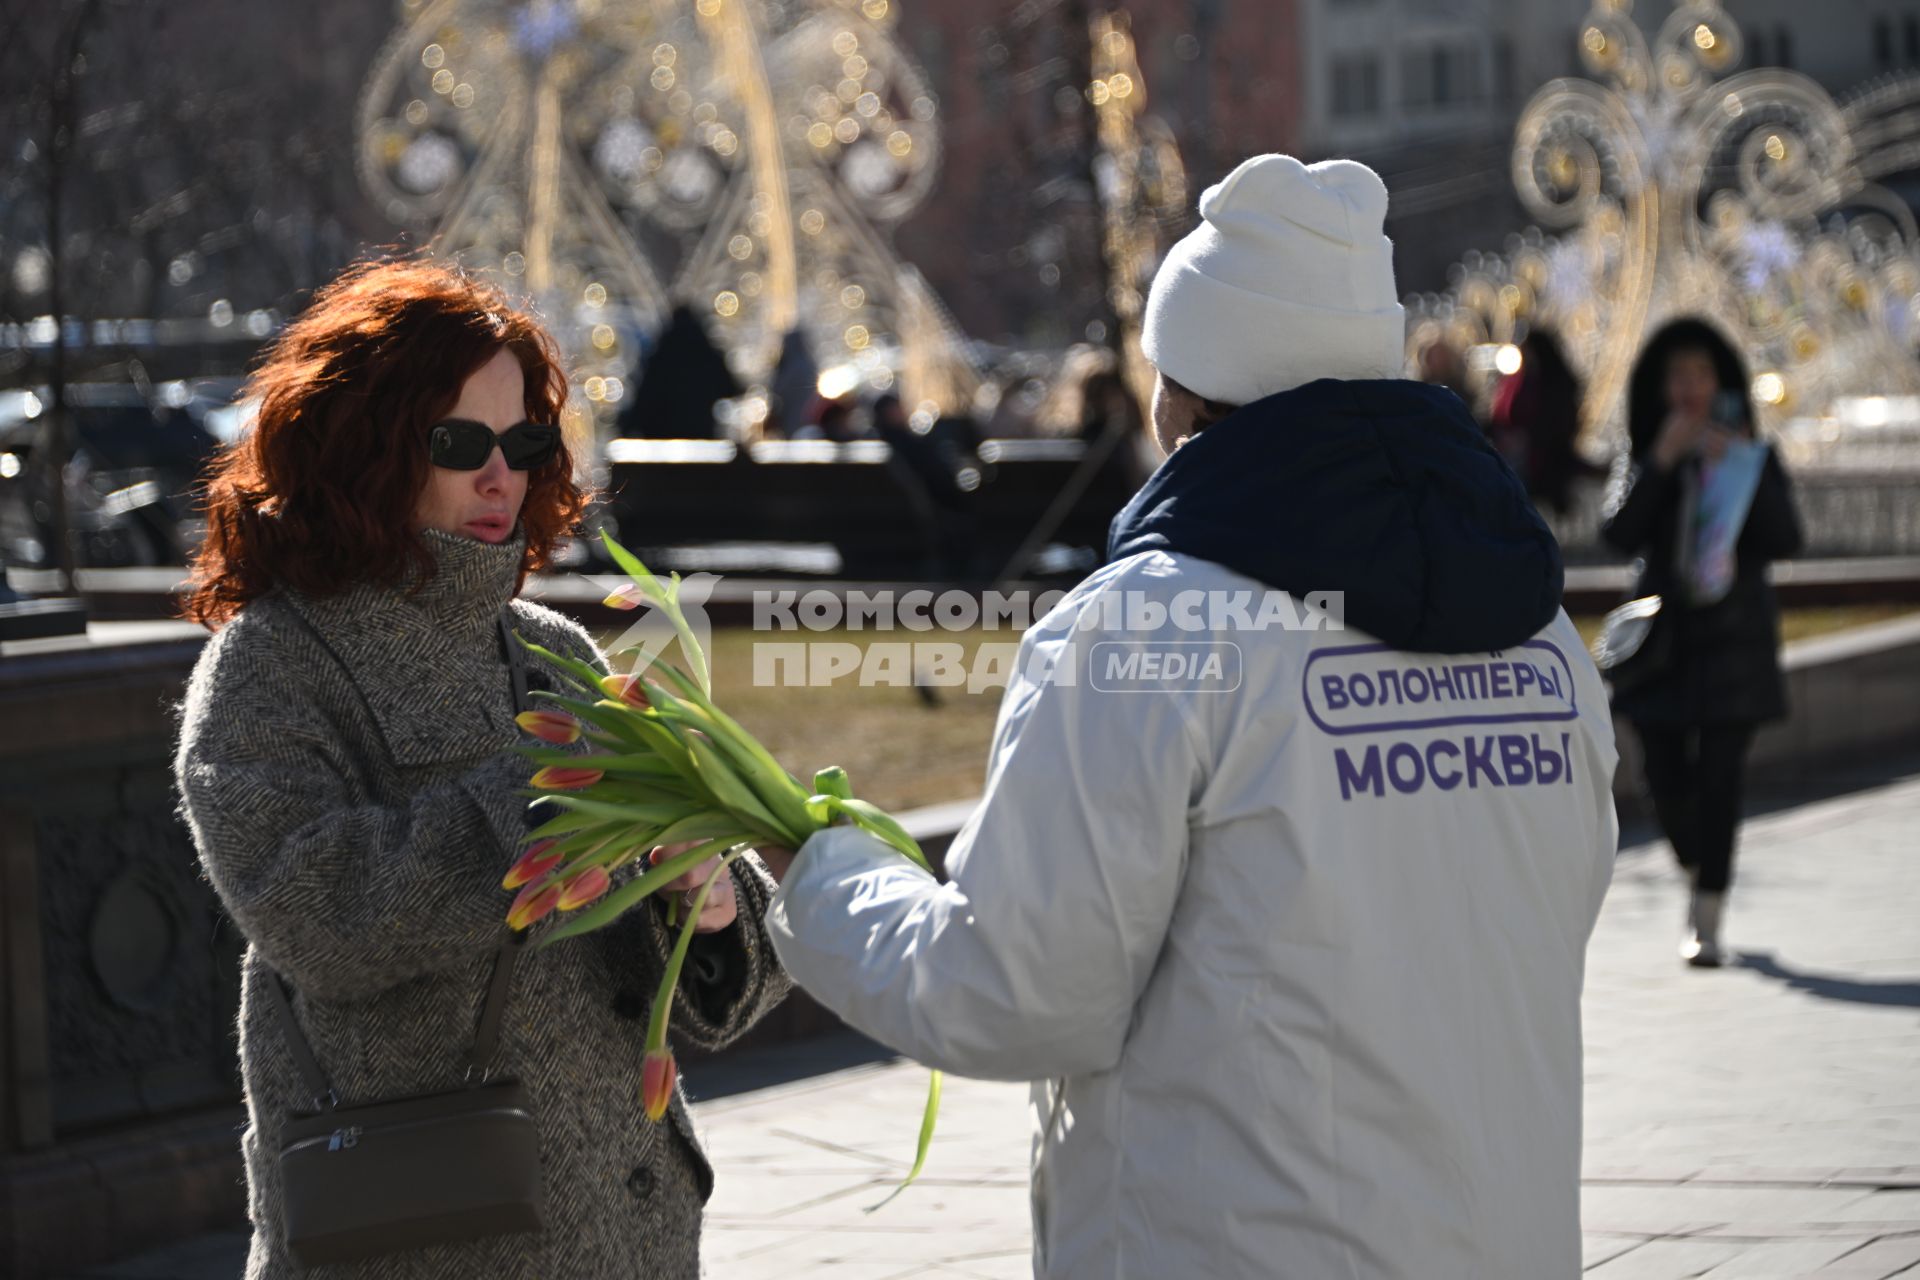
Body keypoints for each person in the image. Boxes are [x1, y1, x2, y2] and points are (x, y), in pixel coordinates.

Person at [755, 155, 1620, 1277]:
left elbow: (1014, 990)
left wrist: (819, 876)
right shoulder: (1540, 635)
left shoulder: (1146, 632)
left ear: (1189, 390)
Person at [173, 257, 788, 1279]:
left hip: (632, 1236)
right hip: (423, 1236)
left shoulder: (551, 649)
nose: (502, 473)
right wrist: (541, 803)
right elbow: (318, 916)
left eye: (524, 441)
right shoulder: (269, 666)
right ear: (365, 445)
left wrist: (709, 905)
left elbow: (687, 986)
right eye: (461, 443)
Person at [1601, 317, 1803, 967]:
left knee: (1720, 780)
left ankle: (1707, 913)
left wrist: (1740, 466)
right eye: (1678, 376)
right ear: (1661, 388)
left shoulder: (1749, 450)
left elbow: (1785, 539)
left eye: (1701, 375)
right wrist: (1660, 462)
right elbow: (1618, 535)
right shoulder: (1646, 451)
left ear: (1721, 383)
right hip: (1661, 646)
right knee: (1662, 775)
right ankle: (1696, 868)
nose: (1690, 389)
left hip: (1733, 645)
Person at [1488, 329, 1596, 515]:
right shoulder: (1517, 381)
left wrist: (1527, 440)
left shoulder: (1557, 384)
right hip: (1515, 454)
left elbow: (1558, 423)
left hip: (1545, 458)